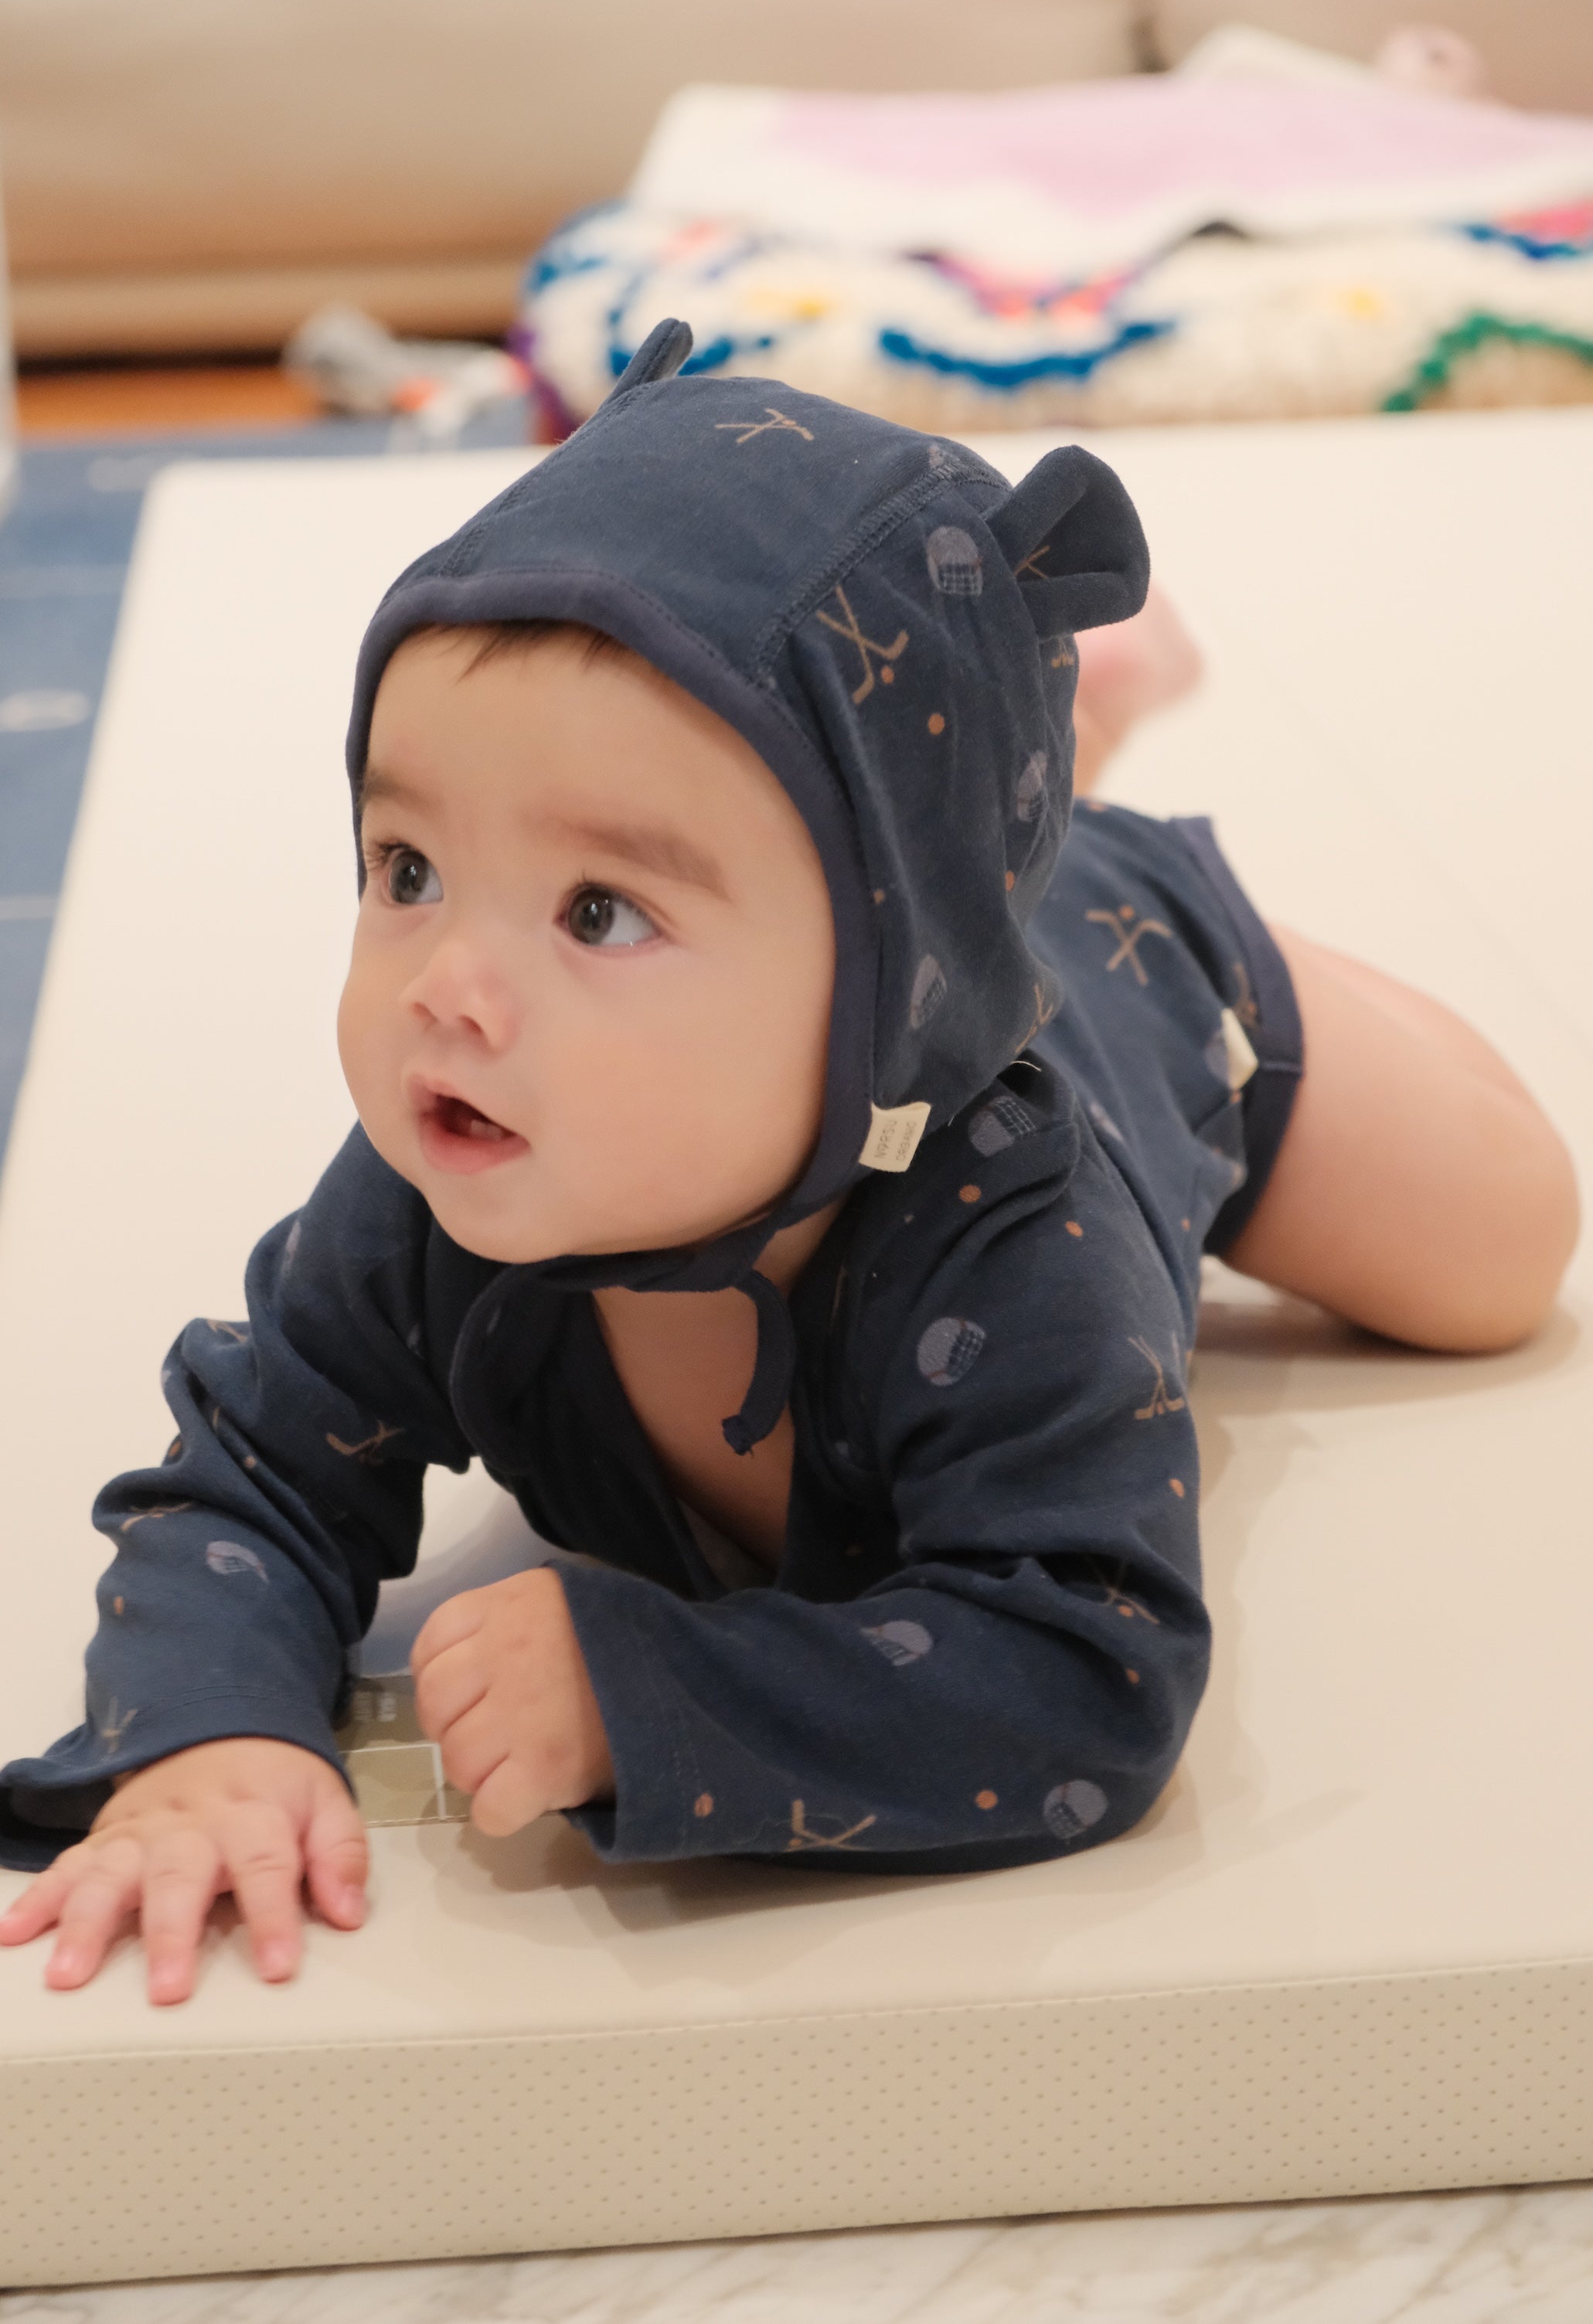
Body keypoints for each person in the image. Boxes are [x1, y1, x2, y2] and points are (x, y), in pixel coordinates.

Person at [0, 323, 1577, 2007]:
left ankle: (1147, 873)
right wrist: (208, 1726)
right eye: (407, 865)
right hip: (913, 917)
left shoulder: (1014, 1238)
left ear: (883, 1006)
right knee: (904, 842)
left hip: (1155, 991)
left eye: (598, 911)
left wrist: (649, 1689)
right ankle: (1017, 776)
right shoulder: (439, 1172)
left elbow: (1086, 1663)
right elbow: (255, 1458)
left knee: (1499, 1256)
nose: (446, 987)